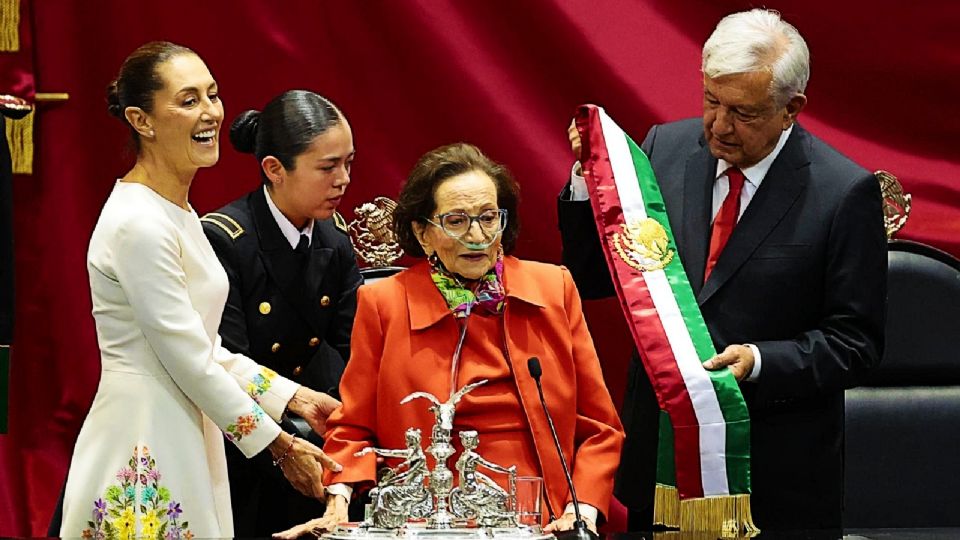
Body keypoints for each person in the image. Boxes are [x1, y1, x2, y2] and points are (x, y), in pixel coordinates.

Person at [558, 9, 887, 530]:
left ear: (791, 109)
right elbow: (598, 281)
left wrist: (759, 361)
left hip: (772, 475)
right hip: (660, 465)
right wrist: (586, 183)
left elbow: (856, 344)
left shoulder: (844, 193)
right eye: (711, 100)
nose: (719, 125)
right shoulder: (662, 150)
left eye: (744, 112)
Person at [59, 41, 341, 539]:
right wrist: (280, 445)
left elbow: (207, 349)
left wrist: (293, 397)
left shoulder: (177, 211)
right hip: (144, 439)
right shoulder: (138, 222)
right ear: (141, 120)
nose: (211, 112)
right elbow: (189, 359)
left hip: (190, 427)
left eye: (212, 95)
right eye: (188, 100)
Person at [276, 143, 624, 538]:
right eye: (456, 221)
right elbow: (353, 427)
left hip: (542, 514)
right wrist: (337, 505)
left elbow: (599, 427)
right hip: (427, 517)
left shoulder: (552, 288)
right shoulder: (383, 303)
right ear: (423, 234)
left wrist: (583, 513)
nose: (477, 236)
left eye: (489, 218)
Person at [201, 90, 362, 535]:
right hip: (246, 439)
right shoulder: (225, 239)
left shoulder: (333, 238)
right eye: (328, 167)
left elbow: (350, 348)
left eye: (349, 162)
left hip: (316, 427)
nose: (344, 179)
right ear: (274, 169)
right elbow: (223, 364)